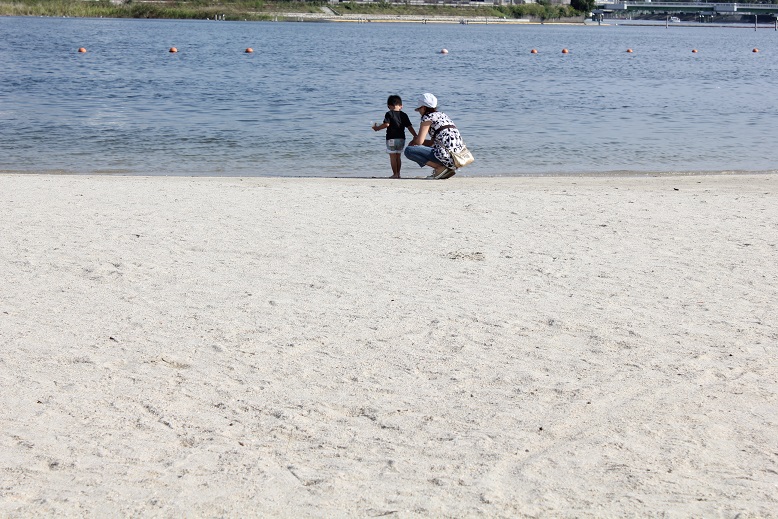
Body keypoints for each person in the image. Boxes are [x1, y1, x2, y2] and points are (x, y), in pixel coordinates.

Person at [404, 93, 465, 180]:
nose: (419, 112)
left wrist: (413, 142)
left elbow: (419, 142)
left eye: (419, 109)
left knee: (409, 151)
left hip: (447, 156)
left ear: (424, 108)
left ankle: (439, 168)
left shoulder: (427, 117)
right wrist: (418, 143)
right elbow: (431, 143)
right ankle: (445, 169)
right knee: (416, 147)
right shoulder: (442, 116)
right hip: (457, 158)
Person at [372, 95, 417, 179]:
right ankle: (398, 174)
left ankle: (394, 174)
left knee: (392, 157)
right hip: (401, 139)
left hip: (391, 138)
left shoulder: (389, 113)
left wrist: (377, 128)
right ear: (401, 106)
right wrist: (415, 135)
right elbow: (409, 127)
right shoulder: (404, 115)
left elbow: (387, 124)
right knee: (398, 157)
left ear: (389, 106)